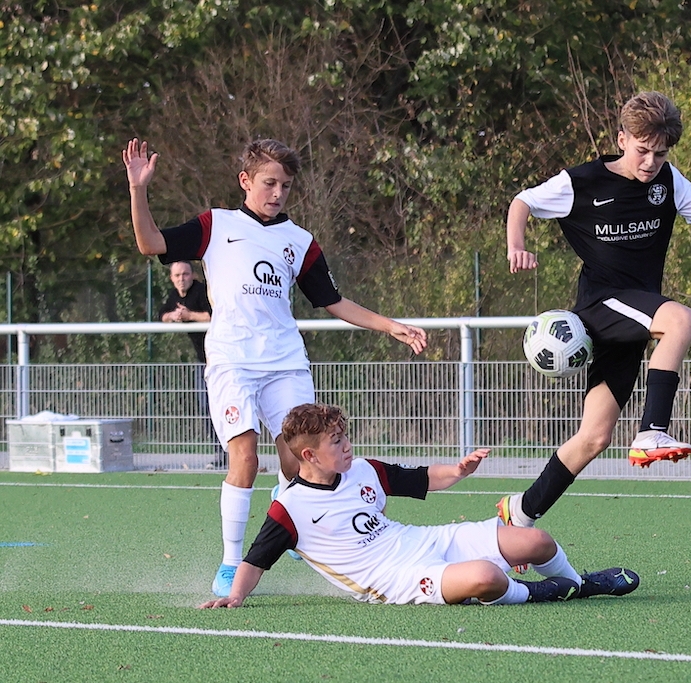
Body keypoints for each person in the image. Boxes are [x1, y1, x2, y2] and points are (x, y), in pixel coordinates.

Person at [123, 137, 429, 598]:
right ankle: (232, 563)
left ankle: (288, 507)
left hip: (285, 363)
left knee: (300, 459)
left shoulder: (299, 241)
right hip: (232, 361)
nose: (278, 192)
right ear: (245, 181)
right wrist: (138, 189)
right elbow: (150, 243)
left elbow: (332, 300)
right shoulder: (215, 225)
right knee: (245, 457)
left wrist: (391, 326)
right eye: (269, 183)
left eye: (285, 185)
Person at [498, 91, 691, 540]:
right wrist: (516, 245)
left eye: (660, 153)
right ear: (622, 139)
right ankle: (652, 431)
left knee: (594, 437)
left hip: (633, 318)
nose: (650, 162)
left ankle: (520, 512)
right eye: (642, 150)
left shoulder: (669, 182)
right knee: (681, 320)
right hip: (601, 305)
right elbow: (521, 202)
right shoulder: (582, 182)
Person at [199, 403, 640, 608]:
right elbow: (255, 561)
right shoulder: (289, 508)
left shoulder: (364, 469)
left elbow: (422, 478)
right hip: (397, 580)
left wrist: (459, 469)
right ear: (309, 455)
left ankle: (577, 583)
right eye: (336, 441)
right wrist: (235, 597)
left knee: (535, 541)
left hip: (424, 541)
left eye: (345, 436)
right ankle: (540, 593)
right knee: (487, 577)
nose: (347, 445)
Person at [157, 261, 225, 467]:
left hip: (223, 358)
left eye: (185, 274)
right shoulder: (175, 296)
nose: (181, 279)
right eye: (177, 275)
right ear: (171, 278)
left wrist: (189, 316)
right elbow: (161, 315)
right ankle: (220, 453)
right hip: (202, 360)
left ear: (192, 275)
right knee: (205, 406)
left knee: (224, 406)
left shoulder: (202, 291)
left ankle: (234, 452)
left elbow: (215, 315)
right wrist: (172, 316)